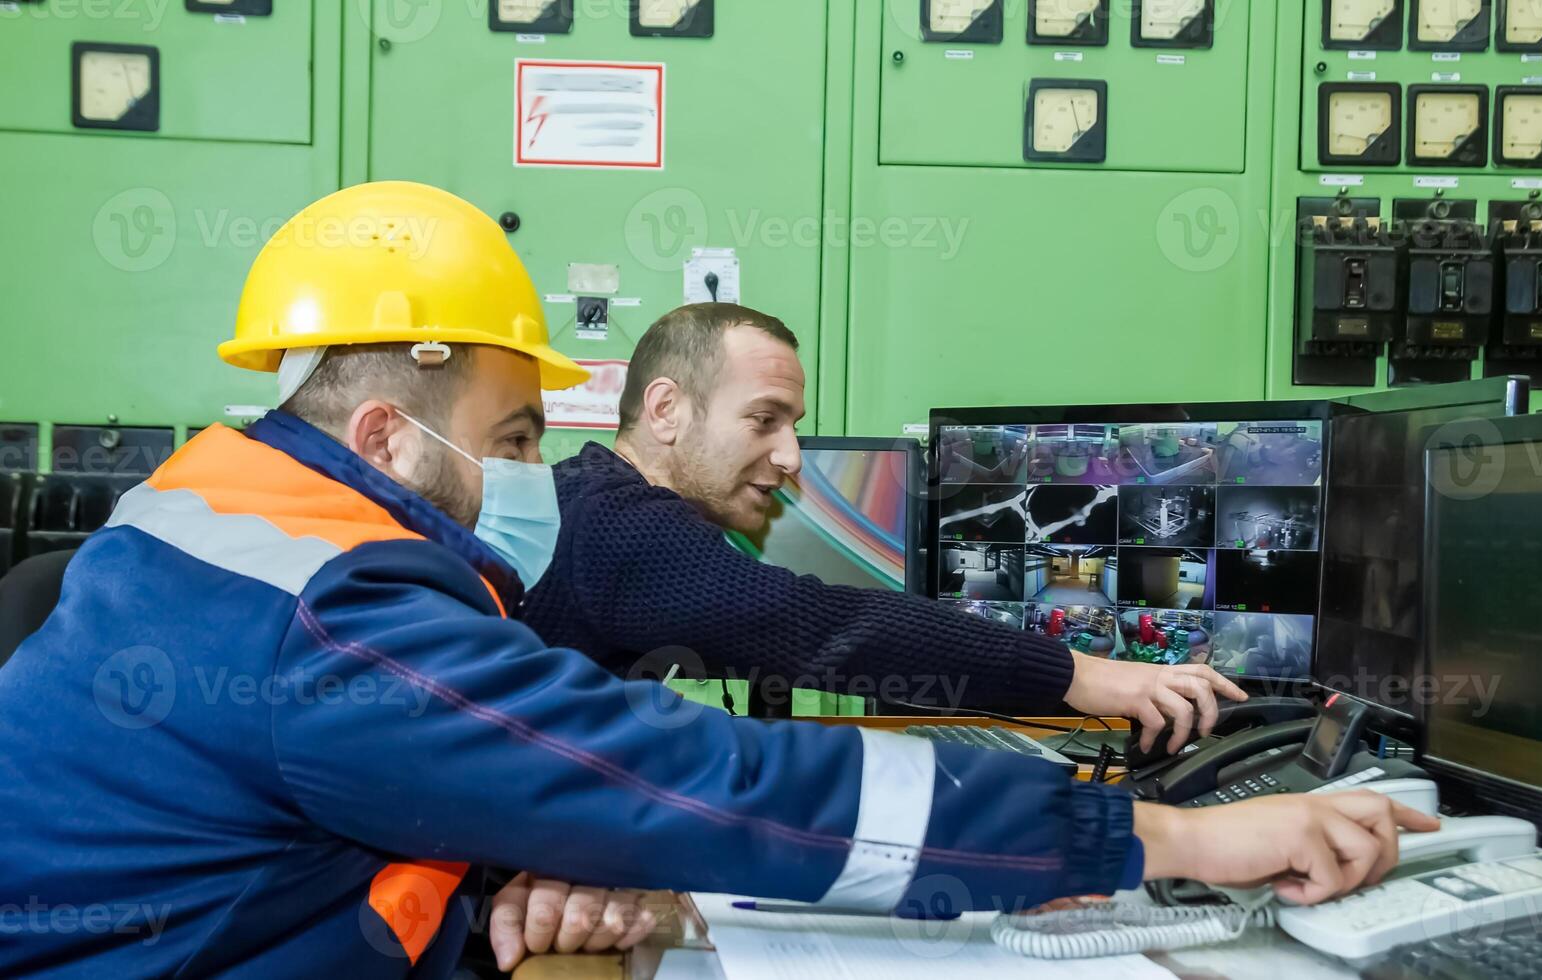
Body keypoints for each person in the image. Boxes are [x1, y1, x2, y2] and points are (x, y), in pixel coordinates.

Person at [0, 182, 1435, 978]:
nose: (523, 476)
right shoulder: (337, 606)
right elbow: (705, 778)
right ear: (388, 431)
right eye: (509, 440)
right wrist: (1163, 845)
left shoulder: (201, 500)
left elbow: (321, 785)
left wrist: (512, 866)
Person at [520, 303, 1242, 753]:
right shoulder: (618, 526)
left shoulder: (586, 499)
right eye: (763, 419)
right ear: (666, 410)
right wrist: (1082, 674)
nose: (790, 456)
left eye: (792, 426)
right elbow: (820, 625)